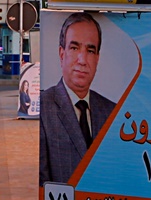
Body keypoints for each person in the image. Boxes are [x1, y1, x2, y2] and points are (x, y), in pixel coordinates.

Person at [39, 13, 116, 185]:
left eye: (90, 51)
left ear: (97, 59)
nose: (82, 60)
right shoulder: (44, 107)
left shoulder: (112, 112)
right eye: (74, 48)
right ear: (61, 54)